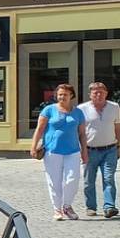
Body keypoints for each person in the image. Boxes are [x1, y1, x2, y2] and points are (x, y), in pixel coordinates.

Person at [31, 83, 87, 221]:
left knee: (72, 179)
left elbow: (82, 134)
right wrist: (33, 146)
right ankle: (57, 209)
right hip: (52, 150)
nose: (62, 97)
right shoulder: (49, 110)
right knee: (54, 181)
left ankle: (67, 206)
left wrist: (84, 151)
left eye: (65, 94)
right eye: (60, 94)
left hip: (73, 150)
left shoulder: (78, 112)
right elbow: (39, 129)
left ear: (71, 96)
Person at [80, 81, 120, 218]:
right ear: (90, 95)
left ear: (106, 93)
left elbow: (117, 126)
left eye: (101, 92)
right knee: (88, 181)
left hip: (109, 149)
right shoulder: (82, 109)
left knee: (109, 178)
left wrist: (118, 146)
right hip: (90, 149)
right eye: (95, 92)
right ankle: (91, 207)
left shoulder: (114, 107)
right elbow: (80, 131)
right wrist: (82, 150)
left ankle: (109, 206)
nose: (98, 95)